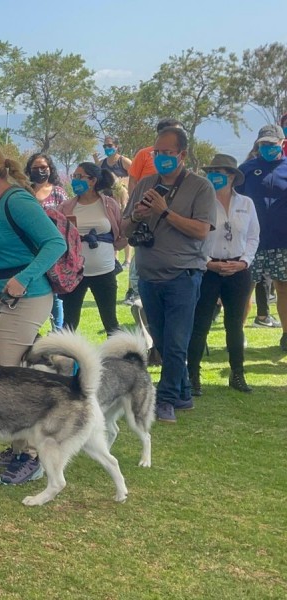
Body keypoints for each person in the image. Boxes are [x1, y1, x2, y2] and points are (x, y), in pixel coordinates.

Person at [0, 143, 66, 485]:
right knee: (14, 374)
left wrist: (23, 278)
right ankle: (21, 446)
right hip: (11, 299)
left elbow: (55, 243)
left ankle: (31, 456)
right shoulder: (1, 203)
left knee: (7, 380)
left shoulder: (18, 201)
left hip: (28, 298)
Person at [122, 126, 216, 423]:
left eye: (168, 153)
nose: (161, 158)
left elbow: (201, 231)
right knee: (162, 341)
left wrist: (164, 212)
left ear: (183, 155)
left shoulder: (200, 187)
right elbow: (125, 229)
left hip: (183, 276)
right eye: (157, 153)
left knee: (176, 342)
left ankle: (165, 400)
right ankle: (184, 392)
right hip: (149, 275)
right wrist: (137, 215)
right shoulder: (145, 183)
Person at [187, 155, 259, 394]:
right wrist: (208, 263)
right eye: (212, 171)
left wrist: (244, 262)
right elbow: (194, 236)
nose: (214, 175)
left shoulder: (246, 203)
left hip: (238, 270)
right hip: (209, 270)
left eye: (220, 172)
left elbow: (253, 237)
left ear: (231, 176)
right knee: (201, 324)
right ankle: (193, 376)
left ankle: (237, 374)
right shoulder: (201, 203)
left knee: (235, 325)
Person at [59, 163, 127, 335]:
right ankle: (67, 360)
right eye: (74, 177)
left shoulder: (109, 204)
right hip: (75, 272)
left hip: (104, 271)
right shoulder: (66, 207)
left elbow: (121, 233)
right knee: (70, 323)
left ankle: (117, 360)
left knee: (110, 321)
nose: (75, 180)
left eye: (79, 177)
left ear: (93, 180)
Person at [123, 118, 184, 306]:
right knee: (141, 248)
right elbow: (133, 178)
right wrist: (136, 204)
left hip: (179, 257)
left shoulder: (195, 184)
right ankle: (133, 290)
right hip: (146, 210)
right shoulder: (144, 154)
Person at [237, 124, 287, 350]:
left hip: (282, 241)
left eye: (272, 144)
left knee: (283, 288)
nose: (267, 148)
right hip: (250, 242)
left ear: (282, 144)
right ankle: (236, 334)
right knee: (244, 288)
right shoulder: (246, 169)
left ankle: (286, 335)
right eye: (263, 144)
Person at [24, 152, 67, 330]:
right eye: (36, 168)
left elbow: (66, 222)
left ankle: (57, 331)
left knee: (55, 293)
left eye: (44, 168)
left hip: (52, 250)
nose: (40, 171)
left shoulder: (59, 193)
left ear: (50, 169)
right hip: (28, 249)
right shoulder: (24, 192)